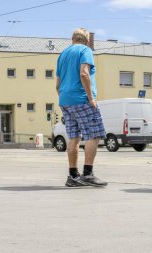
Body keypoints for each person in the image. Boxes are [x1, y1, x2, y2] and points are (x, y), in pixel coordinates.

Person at [56, 28, 107, 187]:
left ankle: (72, 176)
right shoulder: (85, 50)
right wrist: (91, 98)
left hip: (65, 99)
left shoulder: (62, 54)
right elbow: (84, 73)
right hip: (82, 98)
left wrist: (65, 98)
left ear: (72, 39)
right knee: (94, 135)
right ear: (86, 40)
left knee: (74, 137)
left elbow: (57, 84)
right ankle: (87, 174)